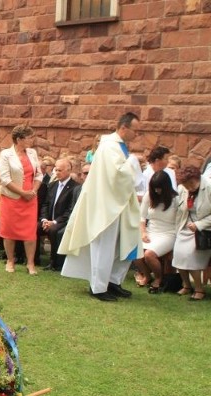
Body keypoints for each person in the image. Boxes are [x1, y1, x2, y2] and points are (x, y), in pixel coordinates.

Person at [59, 112, 144, 302]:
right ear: (124, 128)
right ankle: (98, 286)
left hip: (120, 203)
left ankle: (113, 281)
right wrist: (133, 162)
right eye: (135, 130)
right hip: (105, 205)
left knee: (123, 243)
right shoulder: (109, 147)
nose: (136, 135)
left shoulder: (119, 146)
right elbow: (117, 174)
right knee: (104, 246)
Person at [0, 124, 43, 275]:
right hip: (11, 197)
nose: (32, 139)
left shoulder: (32, 153)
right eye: (29, 137)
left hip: (30, 198)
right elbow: (4, 179)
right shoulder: (5, 154)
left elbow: (38, 175)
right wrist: (22, 193)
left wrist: (33, 191)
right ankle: (11, 260)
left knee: (30, 232)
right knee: (9, 230)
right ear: (19, 139)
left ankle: (30, 263)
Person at [132, 171, 178, 292]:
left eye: (159, 188)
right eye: (155, 188)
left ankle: (158, 278)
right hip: (151, 230)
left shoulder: (176, 199)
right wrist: (143, 232)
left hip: (169, 233)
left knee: (149, 255)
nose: (157, 191)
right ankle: (147, 275)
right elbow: (142, 218)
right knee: (134, 250)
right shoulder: (149, 196)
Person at [172, 166, 211, 301]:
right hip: (185, 225)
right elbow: (179, 208)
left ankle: (199, 289)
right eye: (186, 185)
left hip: (204, 231)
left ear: (197, 178)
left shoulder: (209, 187)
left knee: (190, 256)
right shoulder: (182, 188)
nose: (189, 188)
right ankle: (186, 285)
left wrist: (199, 225)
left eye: (191, 184)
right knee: (178, 254)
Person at [36, 158, 78, 271]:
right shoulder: (53, 185)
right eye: (56, 170)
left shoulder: (75, 187)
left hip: (62, 221)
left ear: (68, 171)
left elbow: (70, 210)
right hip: (48, 220)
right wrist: (44, 219)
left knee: (54, 230)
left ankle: (54, 262)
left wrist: (54, 222)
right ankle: (34, 259)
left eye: (60, 170)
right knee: (35, 227)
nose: (57, 172)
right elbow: (45, 203)